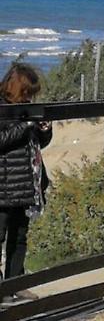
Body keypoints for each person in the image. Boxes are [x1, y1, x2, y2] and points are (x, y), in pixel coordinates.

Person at [0, 63, 52, 281]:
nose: (29, 98)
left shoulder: (27, 110)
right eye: (27, 93)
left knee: (19, 237)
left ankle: (13, 286)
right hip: (4, 185)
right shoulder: (3, 108)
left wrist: (44, 130)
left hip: (25, 183)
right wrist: (26, 126)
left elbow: (38, 144)